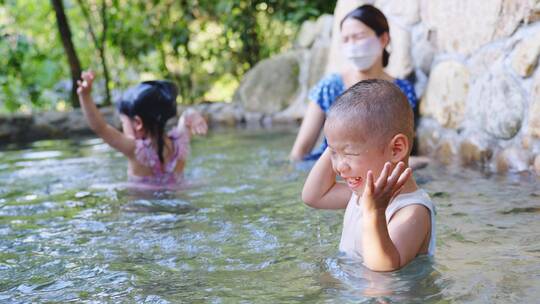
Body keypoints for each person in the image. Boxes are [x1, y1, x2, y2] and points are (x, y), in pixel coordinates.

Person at [302, 79, 435, 272]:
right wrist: (336, 142)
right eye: (334, 154)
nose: (339, 167)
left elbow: (383, 269)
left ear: (396, 149)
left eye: (349, 153)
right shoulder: (360, 192)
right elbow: (313, 196)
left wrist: (375, 212)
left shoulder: (413, 211)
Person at [290, 4, 418, 162]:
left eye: (359, 36)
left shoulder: (402, 91)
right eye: (345, 39)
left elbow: (401, 152)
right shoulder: (329, 87)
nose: (352, 45)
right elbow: (299, 154)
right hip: (330, 171)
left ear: (383, 39)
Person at [77, 70, 207, 187]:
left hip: (142, 207)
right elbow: (186, 118)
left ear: (138, 123)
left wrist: (85, 96)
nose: (123, 127)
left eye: (123, 122)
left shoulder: (134, 150)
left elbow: (100, 127)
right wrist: (193, 114)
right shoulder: (180, 144)